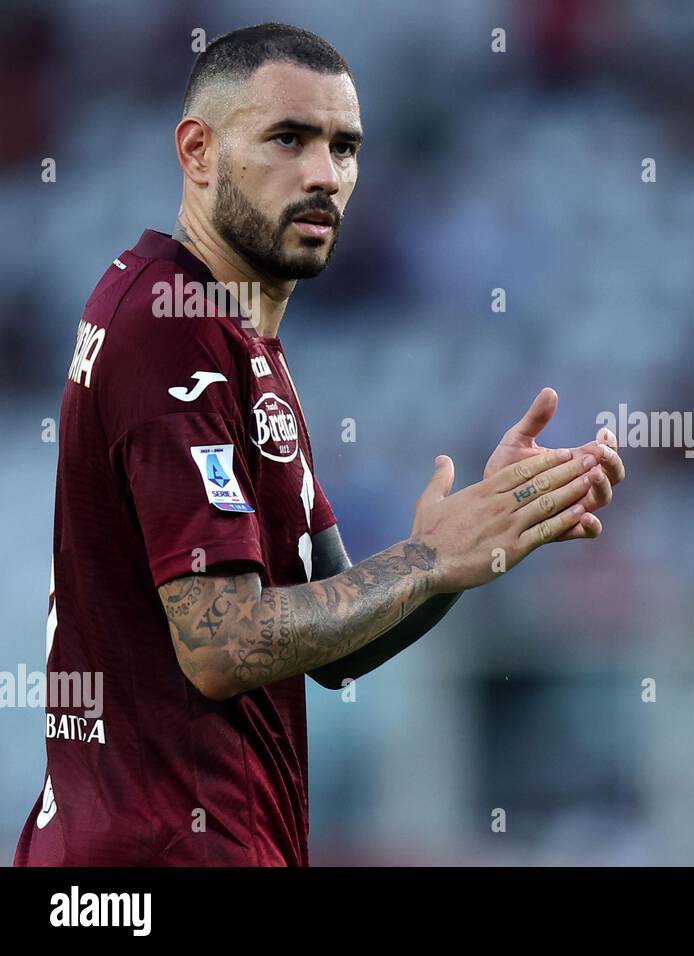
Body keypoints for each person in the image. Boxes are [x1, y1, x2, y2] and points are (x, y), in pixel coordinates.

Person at [13, 22, 625, 866]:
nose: (323, 175)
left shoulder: (239, 342)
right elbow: (223, 646)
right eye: (288, 139)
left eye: (345, 147)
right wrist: (425, 562)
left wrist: (472, 542)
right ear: (198, 150)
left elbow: (334, 643)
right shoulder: (171, 327)